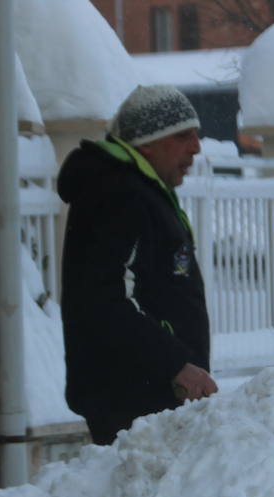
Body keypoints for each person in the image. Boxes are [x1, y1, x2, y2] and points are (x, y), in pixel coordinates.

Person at [56, 84, 218, 446]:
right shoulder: (116, 195)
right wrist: (175, 363)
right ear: (147, 141)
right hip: (131, 398)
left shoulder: (141, 191)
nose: (196, 147)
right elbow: (101, 300)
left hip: (153, 393)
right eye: (183, 136)